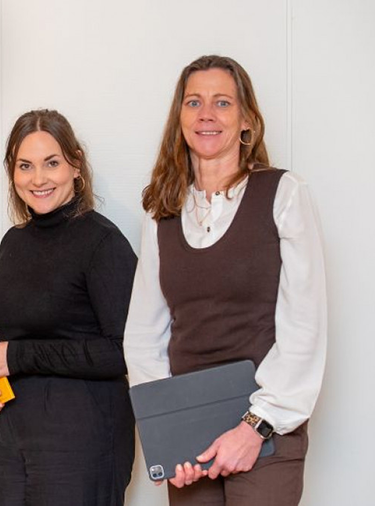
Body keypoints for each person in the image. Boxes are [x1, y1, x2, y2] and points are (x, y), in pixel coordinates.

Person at [124, 55, 327, 505]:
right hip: (189, 435)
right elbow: (143, 334)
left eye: (222, 102)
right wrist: (167, 426)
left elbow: (304, 325)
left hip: (267, 430)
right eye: (194, 102)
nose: (206, 115)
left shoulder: (284, 193)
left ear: (247, 121)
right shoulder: (161, 211)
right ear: (179, 119)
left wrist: (255, 426)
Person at [0, 110, 136, 505]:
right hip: (10, 440)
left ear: (75, 165)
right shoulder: (14, 241)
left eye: (52, 163)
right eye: (25, 166)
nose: (38, 179)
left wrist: (18, 357)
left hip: (81, 442)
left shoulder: (103, 243)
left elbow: (124, 350)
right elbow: (11, 335)